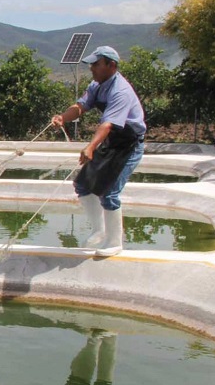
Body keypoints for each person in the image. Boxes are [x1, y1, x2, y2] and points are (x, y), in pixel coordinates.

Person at [51, 46, 146, 257]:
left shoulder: (120, 90)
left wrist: (91, 147)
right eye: (91, 64)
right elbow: (80, 106)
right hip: (111, 142)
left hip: (129, 145)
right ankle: (99, 230)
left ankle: (114, 242)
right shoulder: (97, 85)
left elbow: (108, 124)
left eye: (96, 64)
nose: (92, 68)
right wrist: (62, 118)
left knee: (110, 192)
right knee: (82, 185)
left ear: (111, 66)